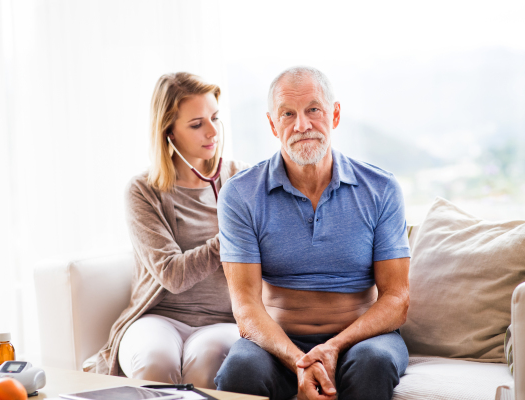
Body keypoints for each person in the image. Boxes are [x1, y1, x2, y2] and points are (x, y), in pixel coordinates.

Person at [214, 66, 411, 400]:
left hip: (362, 341)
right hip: (277, 344)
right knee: (239, 371)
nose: (302, 125)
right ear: (273, 124)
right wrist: (300, 361)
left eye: (313, 110)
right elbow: (245, 307)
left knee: (372, 362)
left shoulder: (381, 188)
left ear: (334, 115)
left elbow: (397, 299)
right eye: (288, 114)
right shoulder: (240, 194)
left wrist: (333, 347)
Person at [89, 72, 247, 390]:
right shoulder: (143, 191)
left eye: (215, 117)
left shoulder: (239, 179)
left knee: (207, 364)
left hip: (221, 319)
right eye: (196, 123)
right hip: (158, 316)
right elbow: (173, 276)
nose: (213, 131)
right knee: (154, 363)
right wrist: (233, 235)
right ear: (169, 132)